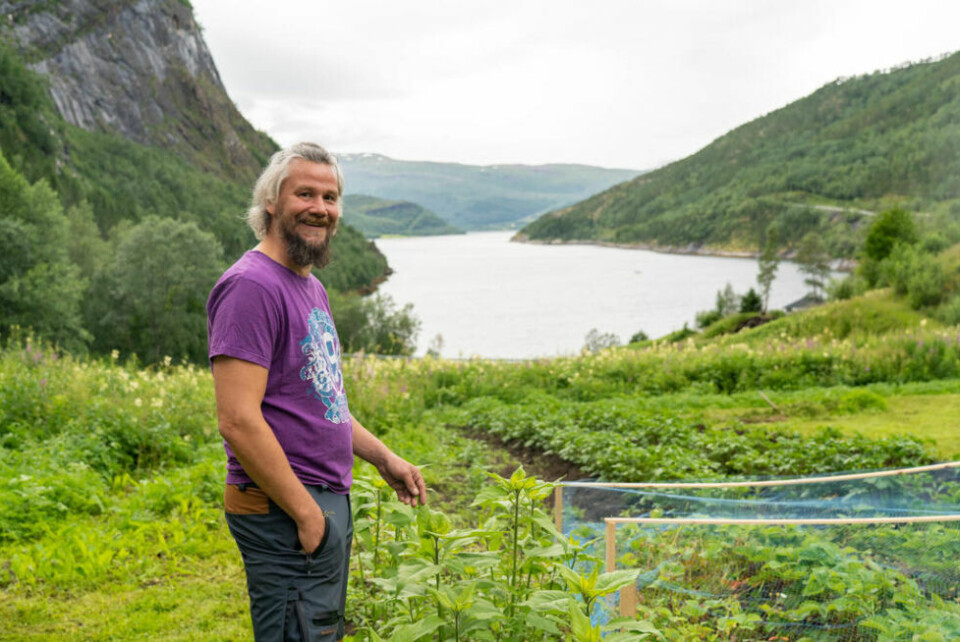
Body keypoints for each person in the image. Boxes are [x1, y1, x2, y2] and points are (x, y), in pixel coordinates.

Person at [206, 142, 426, 641]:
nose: (320, 209)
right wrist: (306, 515)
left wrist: (383, 457)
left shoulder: (308, 285)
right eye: (304, 193)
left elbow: (324, 402)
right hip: (284, 505)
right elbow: (237, 419)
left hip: (321, 501)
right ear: (271, 202)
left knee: (318, 633)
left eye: (330, 198)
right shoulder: (251, 287)